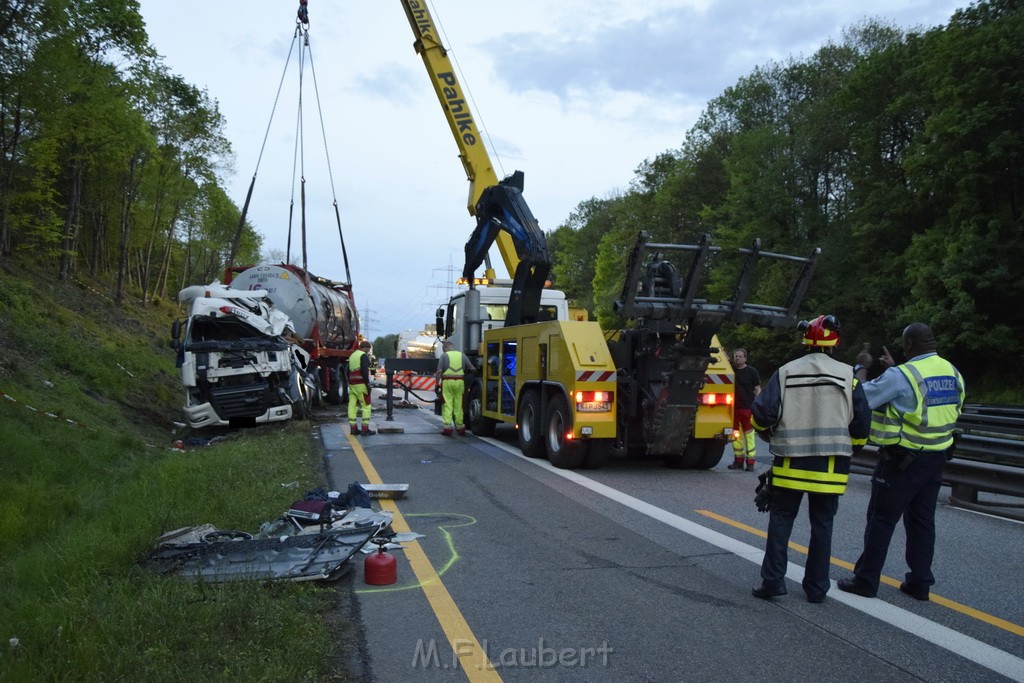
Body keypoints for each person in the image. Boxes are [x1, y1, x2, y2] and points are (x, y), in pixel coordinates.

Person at [837, 323, 965, 601]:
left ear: (908, 345)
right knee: (922, 521)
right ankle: (920, 583)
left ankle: (866, 580)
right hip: (936, 459)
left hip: (901, 461)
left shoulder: (900, 375)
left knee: (881, 519)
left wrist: (861, 368)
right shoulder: (952, 372)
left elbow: (860, 398)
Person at [750, 315, 871, 603]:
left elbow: (761, 413)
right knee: (822, 525)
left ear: (805, 339)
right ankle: (817, 589)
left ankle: (773, 582)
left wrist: (767, 435)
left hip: (790, 462)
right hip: (831, 466)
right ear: (835, 341)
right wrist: (850, 448)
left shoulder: (786, 371)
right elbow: (862, 423)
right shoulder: (847, 375)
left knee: (781, 521)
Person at [728, 348, 761, 471]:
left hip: (748, 408)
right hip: (733, 409)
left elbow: (757, 388)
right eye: (736, 356)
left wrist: (757, 404)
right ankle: (738, 461)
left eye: (740, 356)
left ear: (745, 358)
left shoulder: (752, 371)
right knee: (735, 436)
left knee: (749, 436)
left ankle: (751, 462)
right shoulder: (731, 370)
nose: (737, 358)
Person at [435, 340, 476, 436]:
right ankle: (460, 427)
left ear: (445, 348)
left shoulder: (444, 356)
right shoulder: (462, 355)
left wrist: (437, 385)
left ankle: (448, 428)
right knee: (459, 404)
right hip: (460, 382)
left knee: (447, 404)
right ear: (452, 346)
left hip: (447, 382)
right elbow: (473, 369)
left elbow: (439, 372)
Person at [347, 340, 375, 436]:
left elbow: (348, 370)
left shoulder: (352, 355)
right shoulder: (363, 356)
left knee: (352, 406)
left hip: (352, 384)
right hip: (361, 384)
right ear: (366, 347)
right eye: (368, 349)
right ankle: (365, 428)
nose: (368, 351)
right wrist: (367, 384)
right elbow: (364, 371)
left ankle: (353, 428)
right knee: (366, 406)